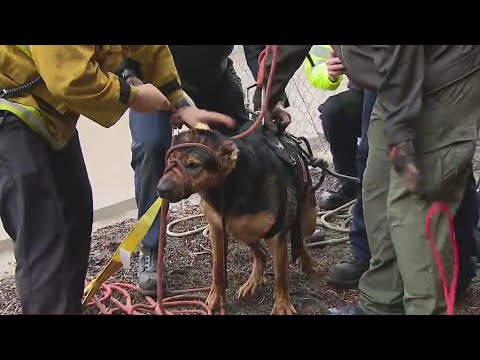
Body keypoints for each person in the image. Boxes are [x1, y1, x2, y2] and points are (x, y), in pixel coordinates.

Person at [0, 45, 235, 314]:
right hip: (10, 112)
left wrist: (179, 101)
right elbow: (70, 79)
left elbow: (151, 48)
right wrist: (132, 95)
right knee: (42, 239)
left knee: (74, 215)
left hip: (47, 113)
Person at [264, 45, 480, 314]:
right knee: (378, 189)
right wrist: (269, 93)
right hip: (391, 79)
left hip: (443, 73)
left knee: (413, 206)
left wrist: (401, 135)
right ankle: (382, 303)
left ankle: (426, 307)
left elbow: (403, 53)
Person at [119, 45, 296, 296]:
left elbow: (259, 49)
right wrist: (129, 78)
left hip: (214, 81)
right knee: (151, 148)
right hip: (153, 85)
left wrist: (272, 95)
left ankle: (280, 218)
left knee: (251, 136)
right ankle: (150, 246)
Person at [305, 45, 361, 211]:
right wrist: (328, 72)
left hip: (399, 87)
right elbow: (315, 64)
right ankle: (349, 184)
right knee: (333, 112)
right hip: (363, 91)